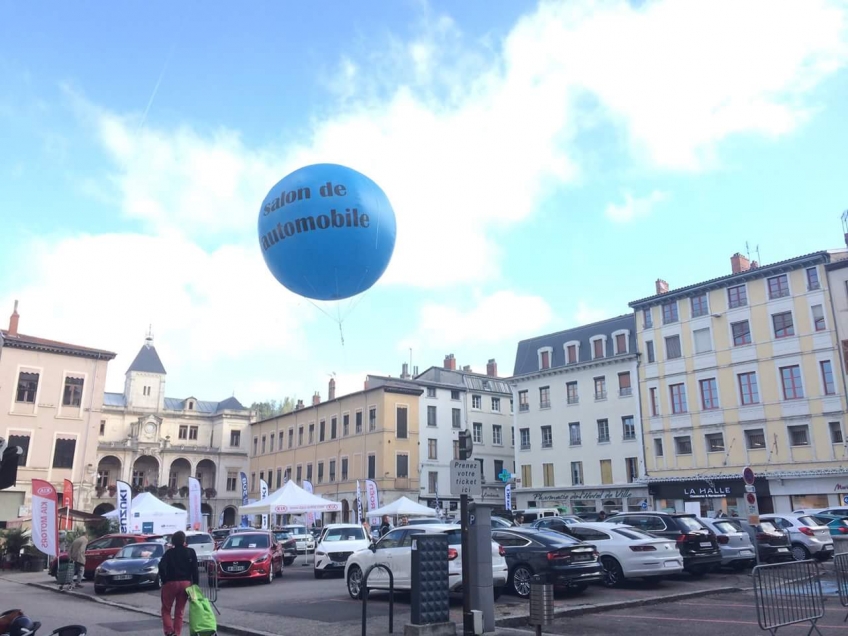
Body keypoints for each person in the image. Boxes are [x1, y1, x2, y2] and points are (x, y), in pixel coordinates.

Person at [158, 530, 199, 636]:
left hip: (170, 583)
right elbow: (195, 569)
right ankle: (177, 633)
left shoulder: (169, 553)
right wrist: (195, 584)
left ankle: (169, 631)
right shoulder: (191, 552)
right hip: (186, 583)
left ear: (173, 541)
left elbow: (161, 566)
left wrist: (164, 579)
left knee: (166, 609)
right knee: (179, 611)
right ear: (184, 540)